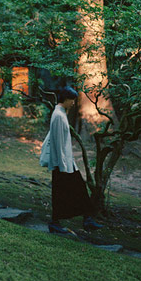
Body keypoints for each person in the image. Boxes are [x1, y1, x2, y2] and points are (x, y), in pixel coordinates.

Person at [40, 86, 103, 233]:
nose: (73, 103)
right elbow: (57, 142)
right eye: (72, 100)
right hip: (61, 164)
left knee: (76, 189)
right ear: (66, 99)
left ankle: (86, 219)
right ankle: (58, 222)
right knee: (64, 192)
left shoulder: (60, 113)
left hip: (66, 163)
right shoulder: (58, 115)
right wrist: (62, 165)